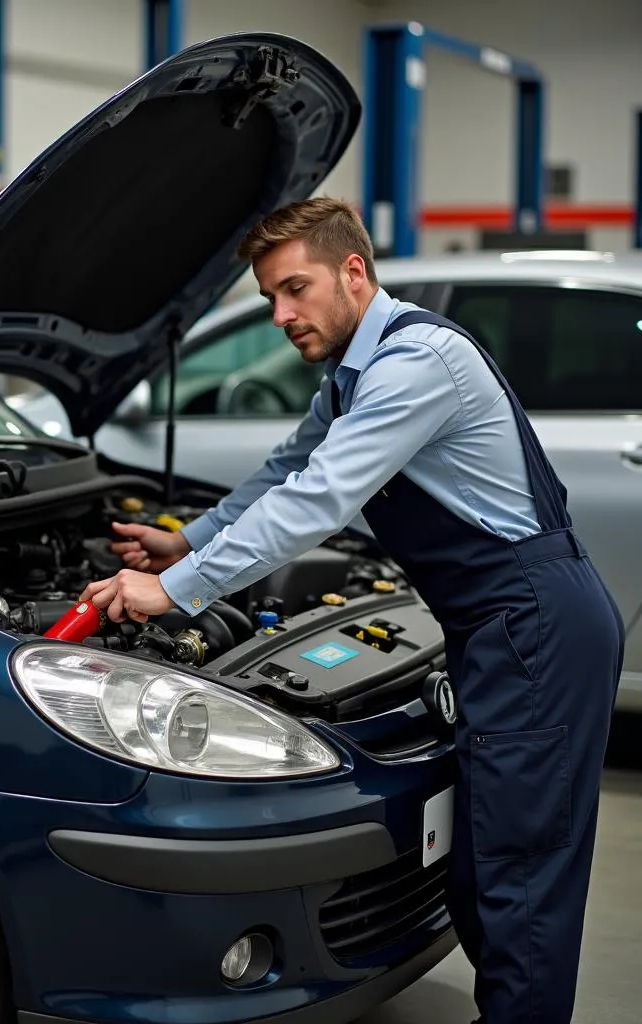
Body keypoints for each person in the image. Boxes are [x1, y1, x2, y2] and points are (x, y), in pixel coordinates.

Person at [80, 197, 623, 1024]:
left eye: (295, 288)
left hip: (534, 625)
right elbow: (284, 475)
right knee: (485, 872)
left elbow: (320, 503)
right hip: (500, 627)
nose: (281, 314)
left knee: (520, 883)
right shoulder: (353, 377)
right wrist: (183, 544)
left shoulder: (416, 366)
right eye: (268, 298)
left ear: (354, 271)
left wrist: (179, 591)